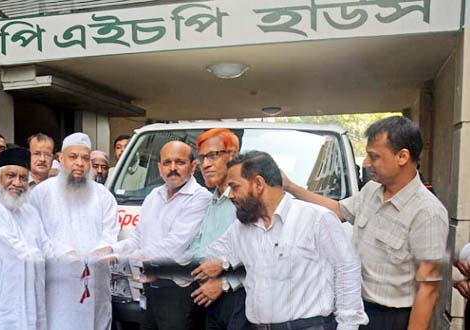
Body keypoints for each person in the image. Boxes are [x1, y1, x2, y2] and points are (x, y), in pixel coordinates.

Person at [282, 116, 448, 329]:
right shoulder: (371, 191)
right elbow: (337, 210)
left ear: (402, 156)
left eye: (374, 156)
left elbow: (429, 290)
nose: (367, 163)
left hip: (392, 319)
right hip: (355, 310)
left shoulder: (428, 213)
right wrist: (290, 186)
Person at [194, 151, 368, 330]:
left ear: (258, 184)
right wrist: (223, 266)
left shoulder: (316, 219)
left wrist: (348, 326)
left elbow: (347, 270)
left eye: (235, 187)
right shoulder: (240, 229)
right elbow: (210, 257)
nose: (230, 195)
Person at [97, 140, 212, 330]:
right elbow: (137, 238)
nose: (172, 168)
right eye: (167, 163)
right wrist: (111, 249)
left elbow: (174, 246)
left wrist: (121, 260)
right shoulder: (153, 196)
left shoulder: (200, 198)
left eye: (180, 162)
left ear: (193, 166)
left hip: (177, 291)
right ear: (159, 168)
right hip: (149, 287)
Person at [30, 132, 119, 330]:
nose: (79, 163)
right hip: (56, 286)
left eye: (85, 158)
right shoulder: (42, 193)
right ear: (60, 158)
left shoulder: (104, 196)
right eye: (73, 157)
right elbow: (37, 236)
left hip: (94, 283)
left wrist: (95, 255)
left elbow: (109, 236)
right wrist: (64, 254)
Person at [0, 148, 52, 330]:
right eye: (11, 175)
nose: (17, 183)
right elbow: (17, 253)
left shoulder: (29, 212)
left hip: (28, 307)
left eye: (23, 178)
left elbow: (47, 248)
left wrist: (81, 259)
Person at [187, 128, 250, 330]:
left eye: (213, 156)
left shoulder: (247, 199)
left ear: (232, 156)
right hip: (209, 297)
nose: (205, 164)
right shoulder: (212, 199)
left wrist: (225, 283)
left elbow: (260, 253)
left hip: (239, 296)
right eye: (202, 157)